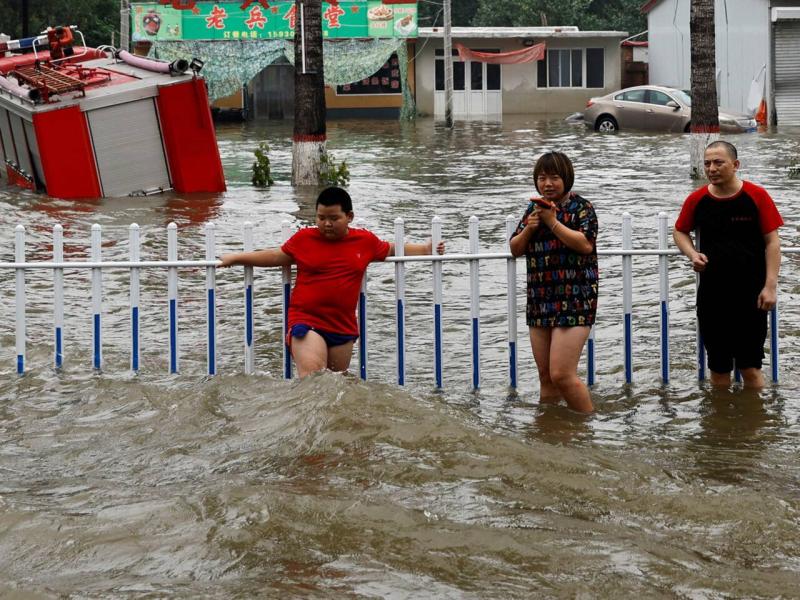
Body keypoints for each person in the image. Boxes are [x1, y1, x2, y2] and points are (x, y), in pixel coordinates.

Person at [219, 186, 444, 378]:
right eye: (321, 217)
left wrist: (425, 249)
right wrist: (237, 258)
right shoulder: (304, 239)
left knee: (337, 385)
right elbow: (276, 256)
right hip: (307, 321)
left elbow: (391, 248)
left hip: (342, 326)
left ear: (349, 217)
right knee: (314, 379)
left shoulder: (364, 241)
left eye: (334, 218)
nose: (326, 223)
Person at [673, 141, 782, 389]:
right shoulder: (697, 199)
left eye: (718, 162)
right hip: (713, 295)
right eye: (707, 163)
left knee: (750, 368)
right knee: (718, 369)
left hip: (752, 295)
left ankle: (754, 424)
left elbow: (773, 243)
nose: (711, 168)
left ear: (735, 165)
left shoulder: (756, 196)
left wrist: (770, 286)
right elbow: (679, 231)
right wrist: (692, 254)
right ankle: (719, 425)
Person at [509, 152, 599, 414]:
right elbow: (515, 249)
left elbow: (584, 245)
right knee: (546, 377)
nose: (547, 184)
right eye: (542, 178)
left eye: (554, 178)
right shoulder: (533, 209)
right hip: (540, 298)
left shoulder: (582, 208)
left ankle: (587, 426)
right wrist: (530, 228)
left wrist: (552, 222)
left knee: (561, 374)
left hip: (575, 297)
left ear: (566, 178)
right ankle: (551, 428)